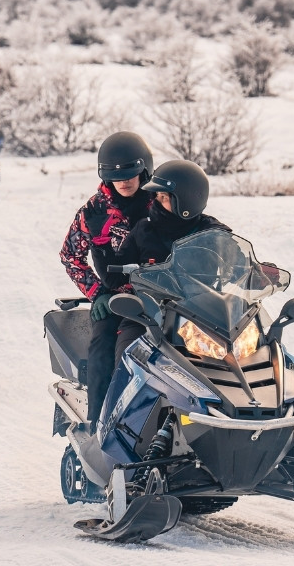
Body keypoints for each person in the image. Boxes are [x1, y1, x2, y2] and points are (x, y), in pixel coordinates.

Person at [59, 132, 154, 427]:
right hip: (117, 299)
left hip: (165, 294)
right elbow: (70, 255)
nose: (124, 182)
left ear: (144, 169)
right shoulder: (93, 212)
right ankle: (99, 424)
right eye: (116, 176)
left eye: (130, 174)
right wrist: (97, 292)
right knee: (104, 347)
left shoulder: (160, 203)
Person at [107, 159, 230, 361]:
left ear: (187, 200)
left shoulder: (214, 232)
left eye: (164, 197)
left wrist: (259, 274)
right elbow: (114, 278)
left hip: (202, 316)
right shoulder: (143, 230)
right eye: (157, 196)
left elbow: (237, 261)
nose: (157, 202)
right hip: (147, 317)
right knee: (128, 358)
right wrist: (115, 268)